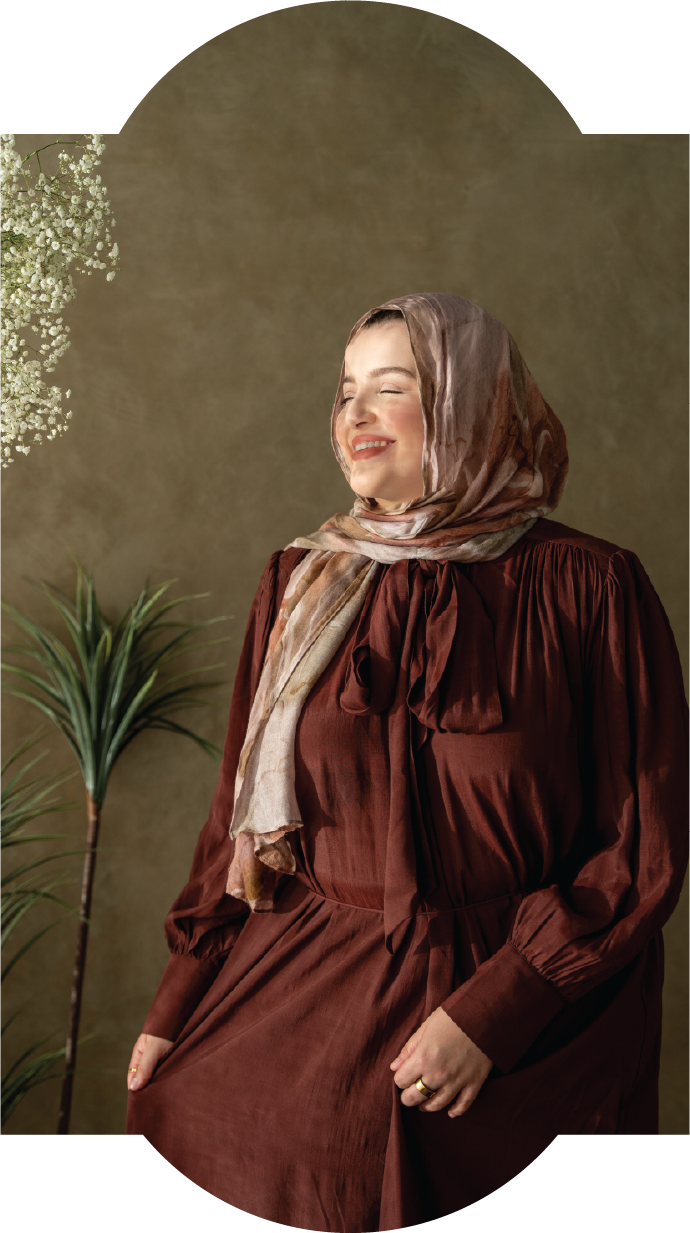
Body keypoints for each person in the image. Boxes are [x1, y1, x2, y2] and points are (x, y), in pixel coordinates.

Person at [126, 293, 690, 1230]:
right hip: (305, 970)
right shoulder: (299, 580)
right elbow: (238, 815)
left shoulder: (591, 587)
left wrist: (495, 1013)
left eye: (391, 389)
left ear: (474, 408)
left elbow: (641, 846)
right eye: (345, 390)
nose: (353, 414)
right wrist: (179, 993)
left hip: (523, 997)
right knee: (186, 1122)